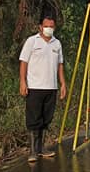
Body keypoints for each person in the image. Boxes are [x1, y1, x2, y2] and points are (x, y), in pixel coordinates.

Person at [19, 16, 66, 162]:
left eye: (51, 26)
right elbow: (24, 62)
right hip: (35, 87)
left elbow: (60, 65)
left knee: (46, 118)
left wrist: (63, 83)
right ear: (40, 27)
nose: (49, 29)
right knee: (33, 119)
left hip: (51, 87)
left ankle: (41, 148)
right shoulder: (32, 41)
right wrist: (23, 82)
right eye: (46, 26)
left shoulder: (57, 43)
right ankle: (33, 151)